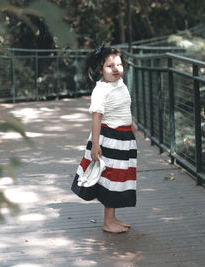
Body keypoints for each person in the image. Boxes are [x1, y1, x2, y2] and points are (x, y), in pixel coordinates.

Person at [71, 45, 137, 233]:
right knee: (110, 179)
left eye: (119, 64)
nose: (116, 69)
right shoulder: (101, 90)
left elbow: (125, 111)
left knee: (118, 180)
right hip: (109, 139)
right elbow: (96, 118)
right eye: (110, 66)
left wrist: (131, 132)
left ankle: (112, 218)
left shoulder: (120, 84)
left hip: (124, 138)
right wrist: (95, 145)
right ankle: (107, 222)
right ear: (100, 69)